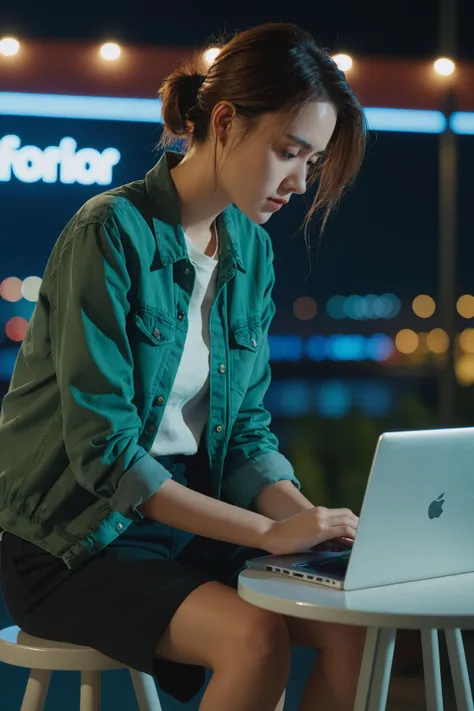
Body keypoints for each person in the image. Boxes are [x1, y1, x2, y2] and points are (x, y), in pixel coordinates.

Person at [0, 21, 368, 711]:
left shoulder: (250, 253)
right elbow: (106, 455)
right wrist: (267, 532)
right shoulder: (109, 230)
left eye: (311, 163)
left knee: (356, 628)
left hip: (185, 526)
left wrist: (313, 521)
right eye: (289, 152)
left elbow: (247, 437)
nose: (298, 181)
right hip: (74, 540)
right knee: (255, 637)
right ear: (225, 122)